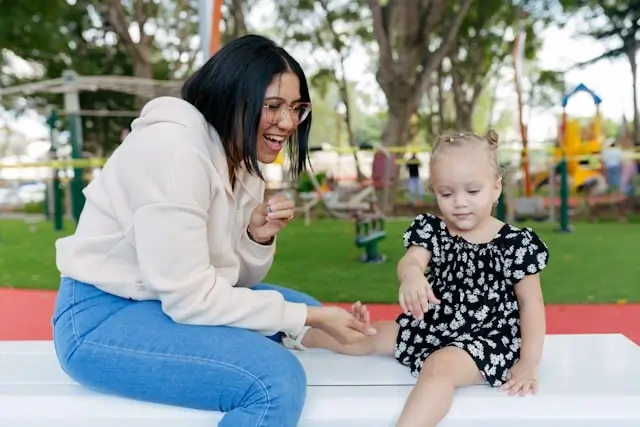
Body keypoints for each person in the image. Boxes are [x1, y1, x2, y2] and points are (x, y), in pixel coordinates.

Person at [51, 34, 375, 427]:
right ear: (232, 96)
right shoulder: (174, 153)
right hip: (100, 320)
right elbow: (191, 299)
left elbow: (234, 279)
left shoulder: (239, 158)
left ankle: (411, 345)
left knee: (309, 315)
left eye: (296, 108)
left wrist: (257, 237)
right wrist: (307, 316)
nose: (288, 123)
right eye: (272, 106)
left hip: (161, 300)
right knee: (273, 381)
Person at [285, 130, 550, 427]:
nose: (459, 203)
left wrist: (528, 361)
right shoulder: (433, 230)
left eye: (472, 192)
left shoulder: (516, 244)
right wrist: (411, 276)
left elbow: (531, 304)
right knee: (370, 333)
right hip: (435, 326)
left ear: (496, 187)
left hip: (488, 339)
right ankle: (296, 337)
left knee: (440, 366)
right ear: (434, 190)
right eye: (446, 193)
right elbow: (412, 260)